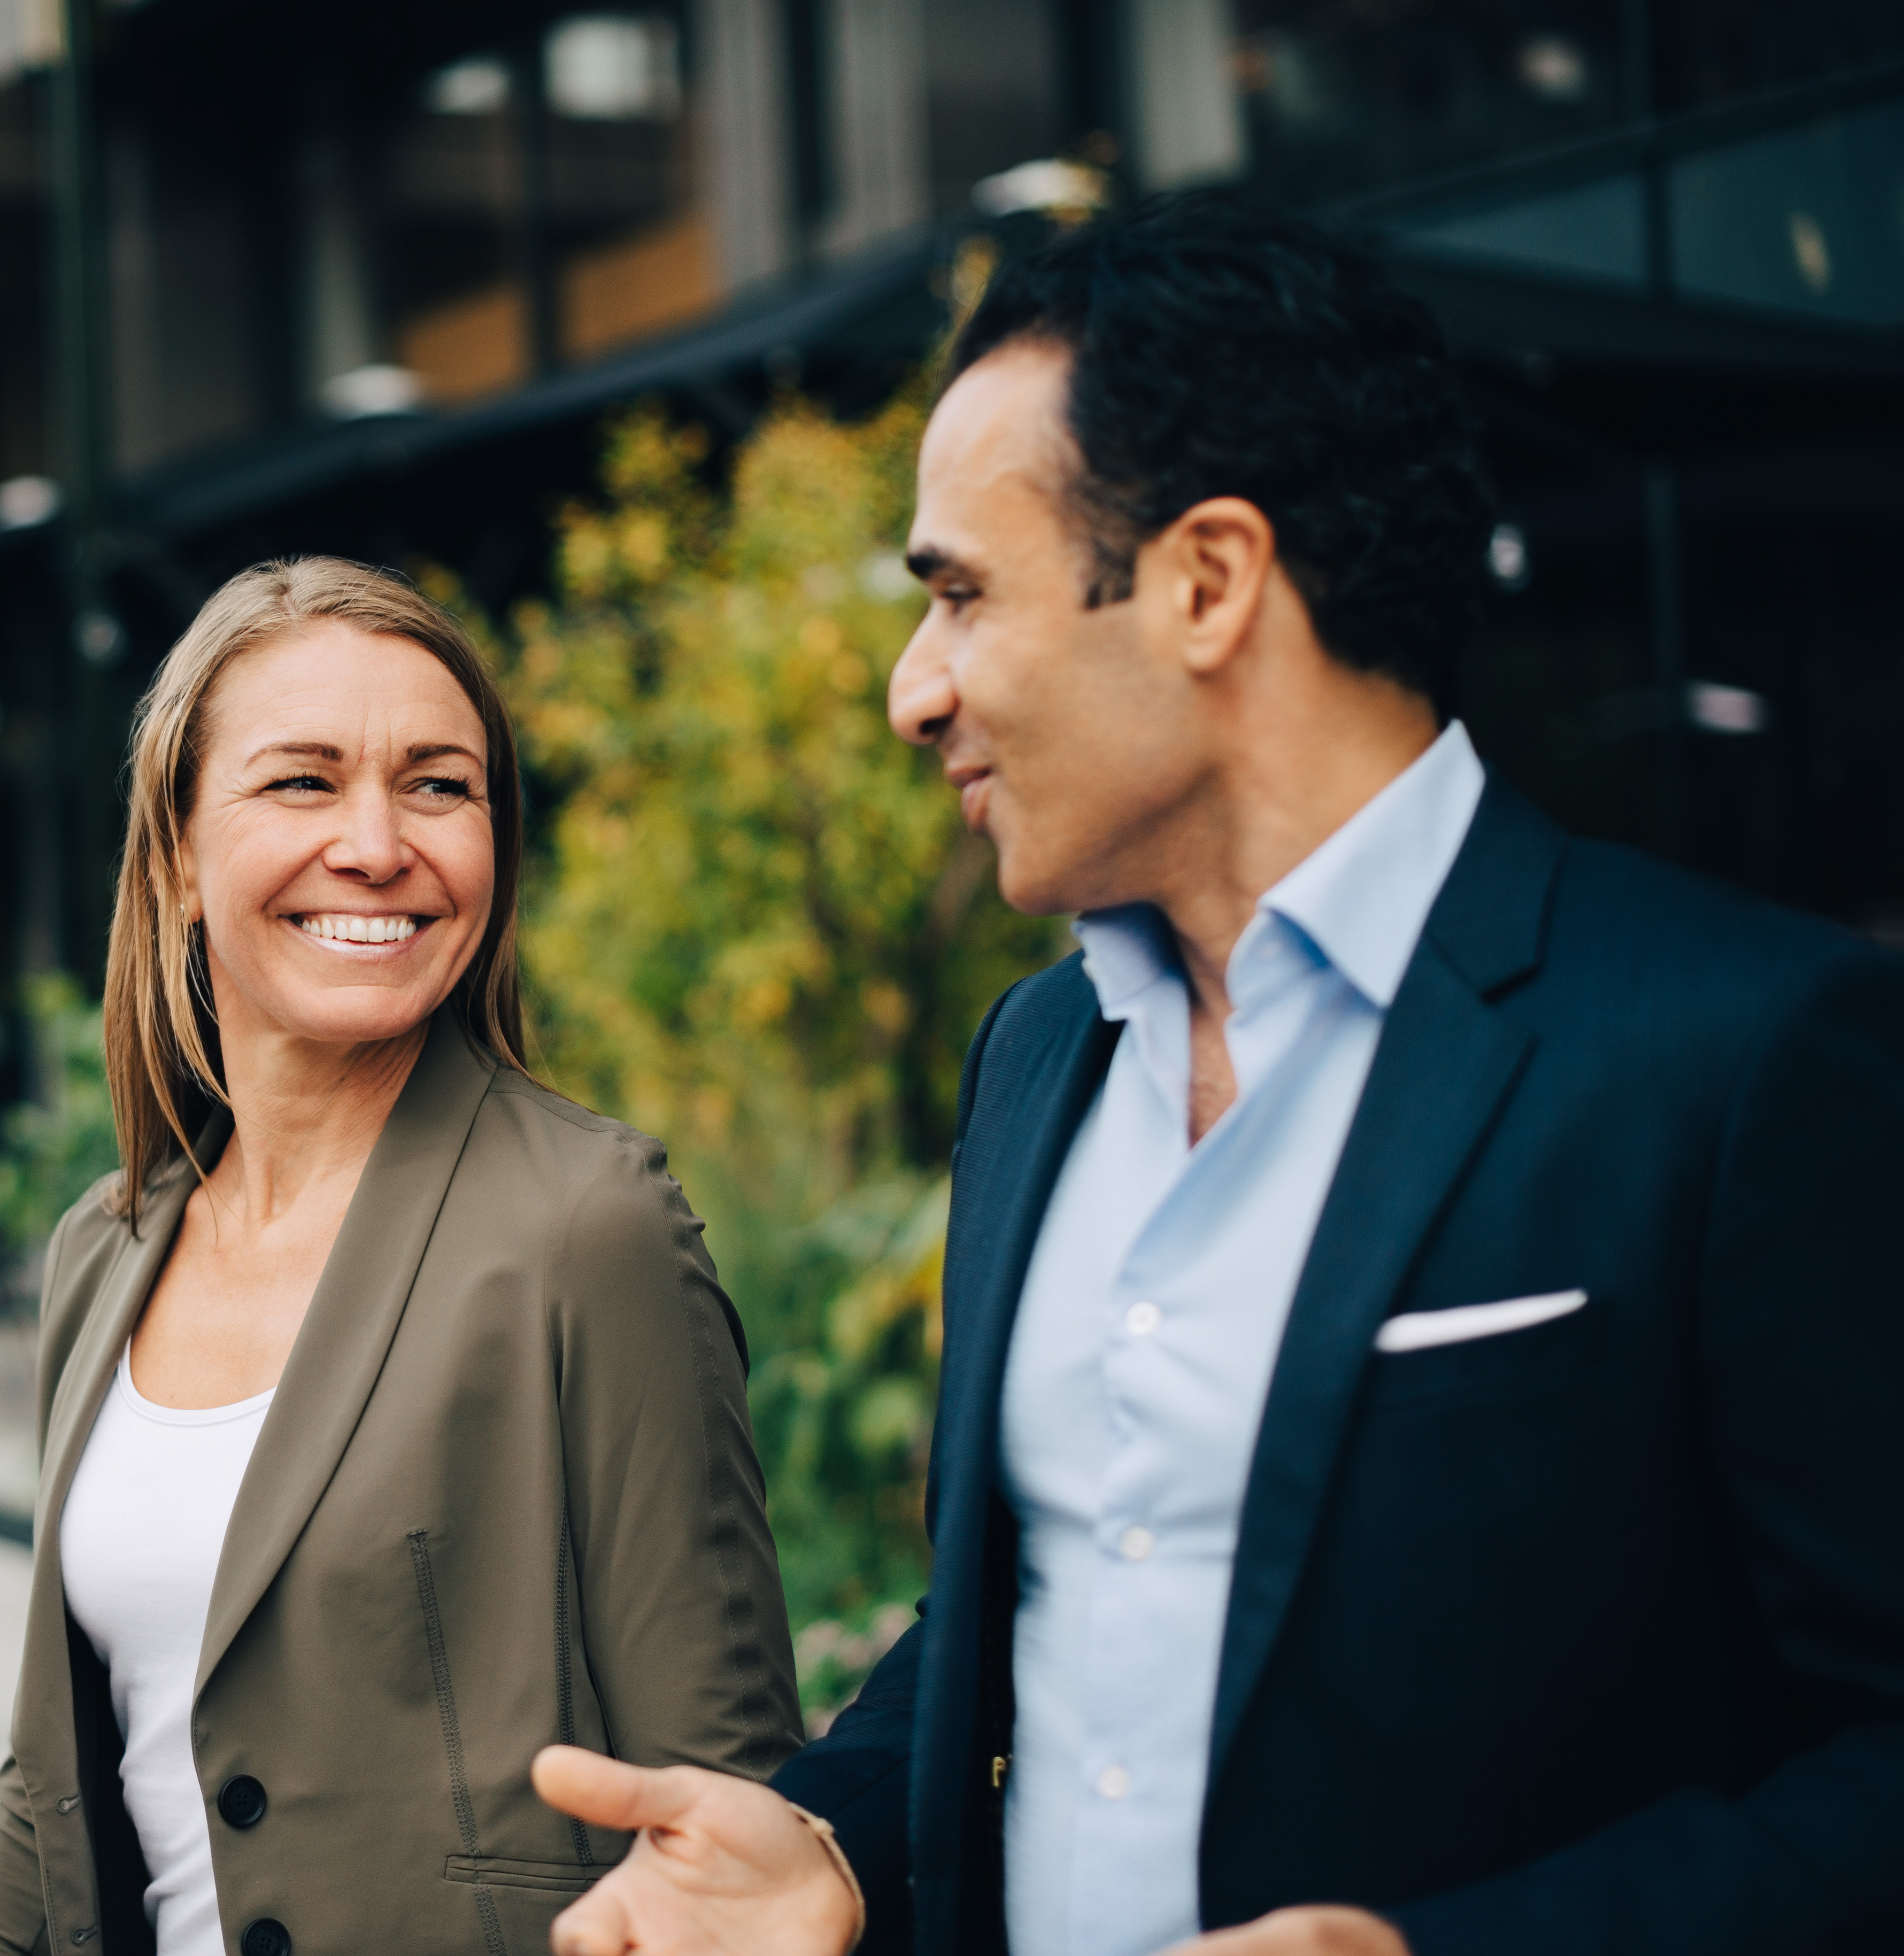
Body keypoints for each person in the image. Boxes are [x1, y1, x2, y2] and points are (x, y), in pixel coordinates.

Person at [530, 195, 1904, 1956]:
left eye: (956, 594)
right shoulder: (1036, 1057)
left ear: (1205, 580)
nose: (910, 689)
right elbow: (1044, 1599)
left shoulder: (1750, 1052)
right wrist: (837, 1835)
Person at [0, 558, 801, 1956]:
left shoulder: (588, 1227)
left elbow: (724, 1813)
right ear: (174, 854)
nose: (379, 842)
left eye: (439, 784)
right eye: (301, 781)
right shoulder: (100, 1253)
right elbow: (55, 1806)